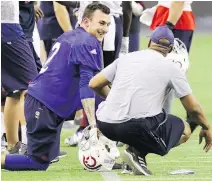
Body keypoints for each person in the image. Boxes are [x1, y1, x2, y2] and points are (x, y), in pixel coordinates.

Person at [1, 2, 110, 171]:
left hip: (45, 105)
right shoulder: (88, 42)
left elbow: (94, 83)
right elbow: (86, 85)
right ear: (86, 22)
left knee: (49, 157)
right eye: (102, 23)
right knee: (37, 163)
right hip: (45, 108)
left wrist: (113, 101)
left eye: (108, 24)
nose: (106, 29)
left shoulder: (69, 36)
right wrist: (93, 124)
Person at [89, 26, 212, 175]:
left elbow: (94, 83)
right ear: (171, 49)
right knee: (183, 129)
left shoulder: (126, 58)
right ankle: (137, 153)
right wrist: (206, 126)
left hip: (105, 123)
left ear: (149, 43)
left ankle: (133, 155)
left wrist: (113, 100)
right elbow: (194, 109)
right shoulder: (171, 67)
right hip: (134, 126)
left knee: (143, 118)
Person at [1, 1, 38, 154]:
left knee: (14, 90)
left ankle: (13, 145)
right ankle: (29, 145)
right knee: (31, 85)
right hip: (7, 25)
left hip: (7, 25)